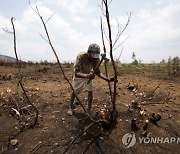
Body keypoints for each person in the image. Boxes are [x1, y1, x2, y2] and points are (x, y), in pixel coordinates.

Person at [68, 43, 114, 116]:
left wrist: (107, 79)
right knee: (75, 91)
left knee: (90, 91)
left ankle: (89, 109)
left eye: (95, 57)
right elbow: (77, 73)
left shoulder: (96, 59)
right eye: (92, 56)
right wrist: (87, 76)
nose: (93, 58)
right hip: (80, 75)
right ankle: (70, 107)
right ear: (88, 53)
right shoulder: (80, 56)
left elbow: (97, 72)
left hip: (90, 74)